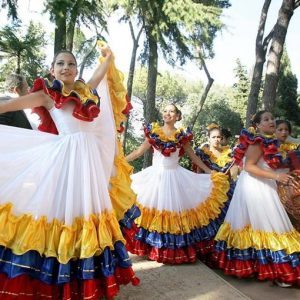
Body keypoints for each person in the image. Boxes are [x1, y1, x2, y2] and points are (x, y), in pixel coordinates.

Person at [0, 45, 139, 298]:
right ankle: (58, 280)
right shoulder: (47, 96)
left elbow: (97, 75)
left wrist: (108, 58)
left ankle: (86, 283)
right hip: (66, 159)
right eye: (61, 64)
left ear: (76, 70)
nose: (66, 67)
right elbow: (10, 105)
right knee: (65, 213)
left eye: (71, 64)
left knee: (87, 213)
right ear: (52, 70)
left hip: (89, 163)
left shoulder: (86, 92)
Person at [123, 104, 231, 264]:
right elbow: (139, 151)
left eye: (171, 111)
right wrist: (120, 161)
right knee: (149, 212)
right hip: (155, 177)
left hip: (175, 177)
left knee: (172, 214)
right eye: (165, 111)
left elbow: (193, 157)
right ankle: (152, 248)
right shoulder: (154, 132)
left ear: (177, 116)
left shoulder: (181, 135)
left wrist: (210, 172)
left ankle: (169, 251)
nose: (167, 114)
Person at [213, 111, 300, 287]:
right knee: (270, 225)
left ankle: (269, 269)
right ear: (258, 125)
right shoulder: (257, 141)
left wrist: (284, 174)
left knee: (265, 226)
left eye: (272, 118)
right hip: (254, 187)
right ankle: (276, 271)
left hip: (265, 185)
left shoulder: (271, 141)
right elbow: (249, 167)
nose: (271, 121)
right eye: (266, 119)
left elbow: (269, 165)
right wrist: (276, 177)